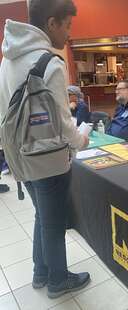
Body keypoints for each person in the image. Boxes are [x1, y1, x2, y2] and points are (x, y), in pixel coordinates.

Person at [0, 0, 90, 299]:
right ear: (52, 23)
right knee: (54, 224)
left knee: (42, 216)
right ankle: (58, 281)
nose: (68, 34)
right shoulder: (50, 62)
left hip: (21, 155)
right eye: (67, 26)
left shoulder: (8, 58)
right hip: (50, 159)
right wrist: (81, 141)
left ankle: (41, 272)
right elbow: (64, 124)